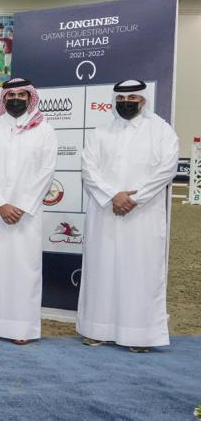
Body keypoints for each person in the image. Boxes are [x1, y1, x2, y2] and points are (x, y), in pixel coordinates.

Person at [77, 80, 179, 353]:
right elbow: (89, 169)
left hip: (142, 215)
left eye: (133, 98)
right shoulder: (100, 132)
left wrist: (135, 198)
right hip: (105, 212)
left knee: (139, 272)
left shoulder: (161, 131)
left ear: (143, 101)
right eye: (121, 99)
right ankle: (97, 329)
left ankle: (139, 335)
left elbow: (167, 169)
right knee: (102, 269)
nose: (126, 103)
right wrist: (114, 195)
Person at [0, 78, 57, 344]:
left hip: (25, 215)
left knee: (22, 269)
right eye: (11, 95)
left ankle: (21, 328)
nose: (16, 99)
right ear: (3, 98)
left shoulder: (44, 131)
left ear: (30, 98)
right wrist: (0, 203)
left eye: (21, 94)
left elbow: (46, 171)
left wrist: (22, 204)